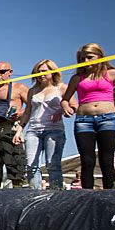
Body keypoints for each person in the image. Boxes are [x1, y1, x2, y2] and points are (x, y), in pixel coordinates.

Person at [61, 43, 115, 189]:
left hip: (107, 119)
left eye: (90, 57)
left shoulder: (112, 73)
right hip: (84, 121)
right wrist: (66, 106)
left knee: (107, 160)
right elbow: (65, 98)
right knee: (87, 160)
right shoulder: (77, 78)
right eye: (82, 58)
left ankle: (110, 193)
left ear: (99, 57)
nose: (86, 61)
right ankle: (87, 195)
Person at [12, 59, 74, 190]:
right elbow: (28, 111)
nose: (41, 74)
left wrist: (62, 110)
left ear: (52, 72)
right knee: (31, 164)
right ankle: (36, 194)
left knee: (52, 164)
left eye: (44, 71)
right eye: (38, 72)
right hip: (34, 130)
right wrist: (19, 130)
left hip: (54, 130)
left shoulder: (61, 87)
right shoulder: (32, 91)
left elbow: (73, 105)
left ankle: (56, 193)